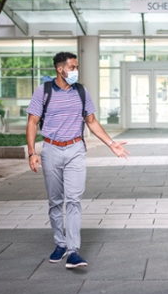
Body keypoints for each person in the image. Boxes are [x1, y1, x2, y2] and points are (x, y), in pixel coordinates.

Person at [26, 52, 130, 269]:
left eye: (76, 67)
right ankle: (60, 244)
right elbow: (32, 122)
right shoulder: (43, 92)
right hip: (51, 149)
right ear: (60, 69)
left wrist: (112, 144)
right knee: (55, 201)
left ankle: (73, 251)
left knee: (73, 200)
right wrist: (32, 152)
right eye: (72, 67)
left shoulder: (81, 91)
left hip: (75, 149)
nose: (75, 71)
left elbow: (91, 121)